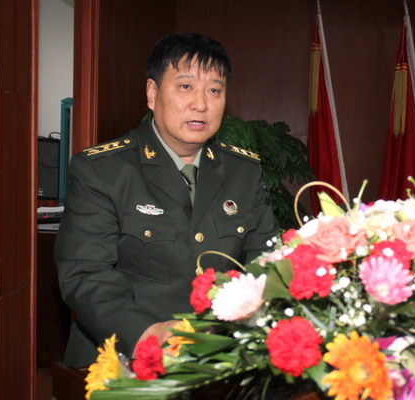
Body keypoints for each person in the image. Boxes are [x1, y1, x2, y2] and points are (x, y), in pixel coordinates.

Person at [55, 33, 278, 367]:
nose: (200, 104)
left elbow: (265, 259)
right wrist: (147, 333)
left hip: (218, 359)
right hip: (121, 360)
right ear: (152, 93)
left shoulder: (242, 171)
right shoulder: (103, 170)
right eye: (186, 86)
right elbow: (85, 273)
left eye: (214, 90)